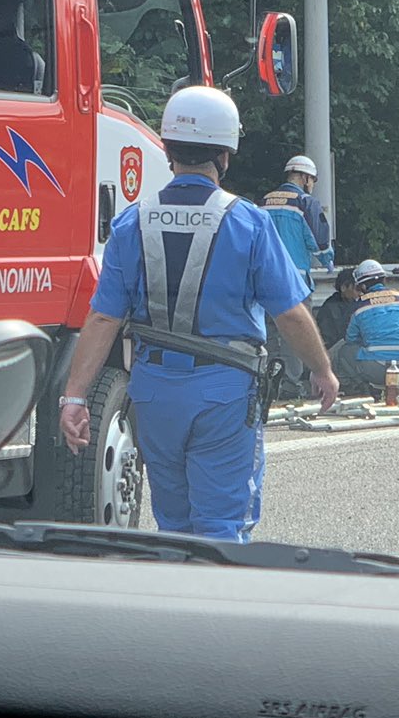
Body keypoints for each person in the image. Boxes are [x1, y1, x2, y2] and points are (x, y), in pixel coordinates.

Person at [59, 85, 337, 540]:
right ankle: (217, 609)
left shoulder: (132, 221)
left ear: (167, 150)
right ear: (225, 155)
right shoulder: (247, 221)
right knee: (223, 526)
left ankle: (178, 605)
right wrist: (321, 369)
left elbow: (103, 318)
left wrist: (74, 395)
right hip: (224, 393)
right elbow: (289, 312)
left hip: (153, 391)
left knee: (173, 526)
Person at [334, 259, 399, 395]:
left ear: (361, 286)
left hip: (373, 370)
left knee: (344, 350)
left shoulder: (359, 306)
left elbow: (350, 338)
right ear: (384, 280)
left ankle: (359, 387)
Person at [262, 155, 333, 272]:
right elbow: (319, 240)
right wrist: (327, 259)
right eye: (312, 180)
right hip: (295, 275)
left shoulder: (264, 201)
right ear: (305, 177)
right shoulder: (306, 202)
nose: (312, 185)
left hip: (267, 274)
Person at [314, 265, 361, 348]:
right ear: (343, 287)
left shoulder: (361, 304)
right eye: (357, 289)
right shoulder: (330, 308)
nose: (360, 293)